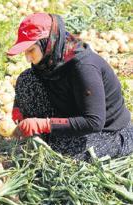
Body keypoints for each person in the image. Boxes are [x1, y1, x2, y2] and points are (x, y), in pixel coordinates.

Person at [7, 13, 133, 161]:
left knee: (58, 155)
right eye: (25, 51)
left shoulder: (84, 68)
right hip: (70, 112)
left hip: (108, 131)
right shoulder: (49, 59)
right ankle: (42, 132)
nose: (27, 58)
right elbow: (31, 82)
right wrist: (19, 110)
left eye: (31, 50)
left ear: (47, 43)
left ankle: (49, 134)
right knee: (27, 79)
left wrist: (45, 124)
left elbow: (93, 122)